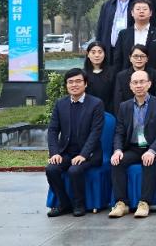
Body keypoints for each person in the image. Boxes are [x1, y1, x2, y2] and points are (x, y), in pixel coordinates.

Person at [108, 70, 156, 219]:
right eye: (135, 83)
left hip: (152, 148)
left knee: (148, 161)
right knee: (117, 162)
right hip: (133, 147)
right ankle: (121, 203)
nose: (138, 85)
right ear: (130, 86)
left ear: (149, 84)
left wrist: (152, 150)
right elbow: (119, 132)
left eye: (142, 82)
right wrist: (117, 150)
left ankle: (144, 203)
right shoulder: (124, 106)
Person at [45, 69, 105, 218]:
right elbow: (53, 130)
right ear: (66, 85)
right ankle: (64, 203)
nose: (74, 85)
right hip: (66, 152)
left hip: (89, 154)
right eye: (70, 82)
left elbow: (95, 132)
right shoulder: (61, 104)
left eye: (78, 81)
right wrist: (55, 153)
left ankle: (79, 204)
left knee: (74, 170)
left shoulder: (96, 103)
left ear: (85, 84)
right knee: (51, 169)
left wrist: (84, 154)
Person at [95, 0, 140, 64]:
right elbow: (100, 28)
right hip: (110, 50)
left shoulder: (141, 3)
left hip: (133, 52)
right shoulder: (107, 5)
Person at [113, 0, 156, 72]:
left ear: (150, 13)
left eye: (145, 9)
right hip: (128, 75)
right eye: (138, 9)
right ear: (132, 13)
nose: (141, 11)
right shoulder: (123, 34)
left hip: (153, 75)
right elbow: (118, 59)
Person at [113, 45, 156, 115]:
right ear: (130, 58)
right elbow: (118, 100)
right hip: (128, 113)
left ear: (147, 58)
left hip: (151, 113)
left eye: (142, 56)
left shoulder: (155, 74)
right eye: (135, 56)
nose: (139, 59)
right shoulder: (121, 76)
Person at [83, 42, 116, 113]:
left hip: (109, 112)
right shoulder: (82, 74)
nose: (97, 55)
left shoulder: (113, 73)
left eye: (100, 52)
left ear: (105, 54)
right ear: (88, 54)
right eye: (93, 52)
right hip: (88, 112)